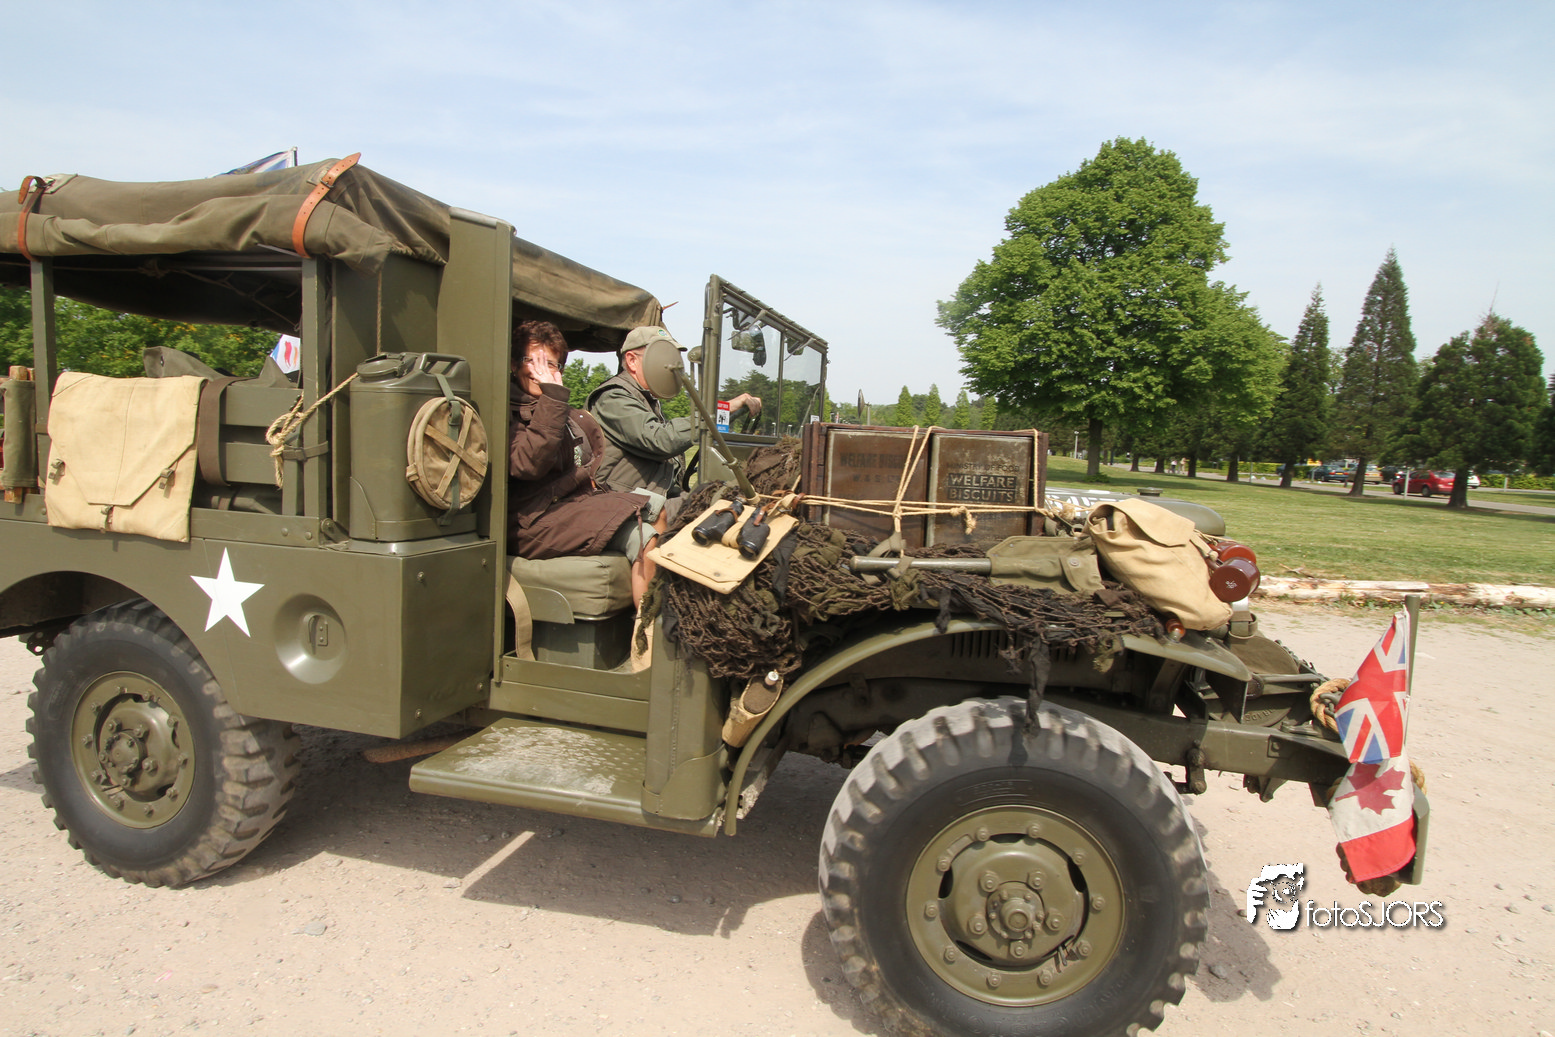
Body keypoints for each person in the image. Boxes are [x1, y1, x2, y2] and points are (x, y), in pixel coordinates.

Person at [507, 320, 664, 604]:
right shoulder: (510, 410)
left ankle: (649, 613)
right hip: (532, 518)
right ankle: (646, 628)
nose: (541, 371)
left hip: (568, 505)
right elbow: (529, 464)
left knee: (658, 508)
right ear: (514, 365)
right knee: (644, 537)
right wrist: (553, 399)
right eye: (531, 360)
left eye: (550, 364)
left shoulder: (559, 411)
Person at [588, 325, 761, 505]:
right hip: (624, 504)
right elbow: (661, 439)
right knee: (715, 505)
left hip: (651, 497)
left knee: (725, 499)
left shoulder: (646, 399)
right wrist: (725, 409)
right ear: (632, 360)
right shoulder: (612, 397)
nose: (671, 366)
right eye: (662, 357)